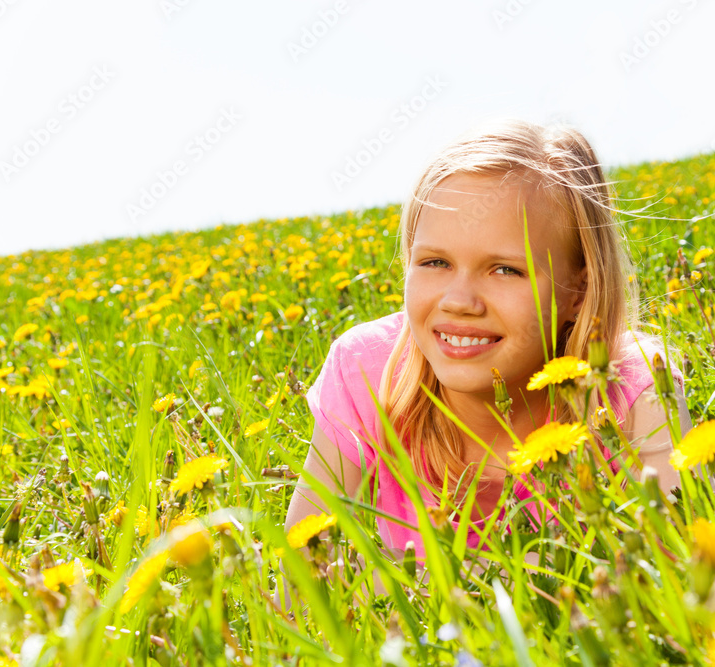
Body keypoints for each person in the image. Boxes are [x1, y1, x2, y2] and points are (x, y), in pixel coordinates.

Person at [281, 118, 691, 594]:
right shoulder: (368, 371)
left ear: (579, 288)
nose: (459, 300)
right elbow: (301, 583)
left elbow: (678, 565)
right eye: (435, 262)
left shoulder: (635, 386)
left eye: (504, 269)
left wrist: (396, 577)